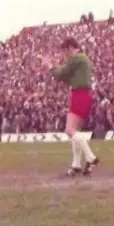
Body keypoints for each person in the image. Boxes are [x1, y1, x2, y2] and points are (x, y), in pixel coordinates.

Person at [44, 37, 99, 177]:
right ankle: (76, 165)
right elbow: (65, 78)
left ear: (70, 47)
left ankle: (91, 158)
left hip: (79, 95)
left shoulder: (77, 58)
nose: (65, 55)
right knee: (75, 131)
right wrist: (56, 71)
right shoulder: (83, 60)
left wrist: (51, 66)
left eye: (65, 51)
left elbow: (61, 73)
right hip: (84, 95)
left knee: (70, 130)